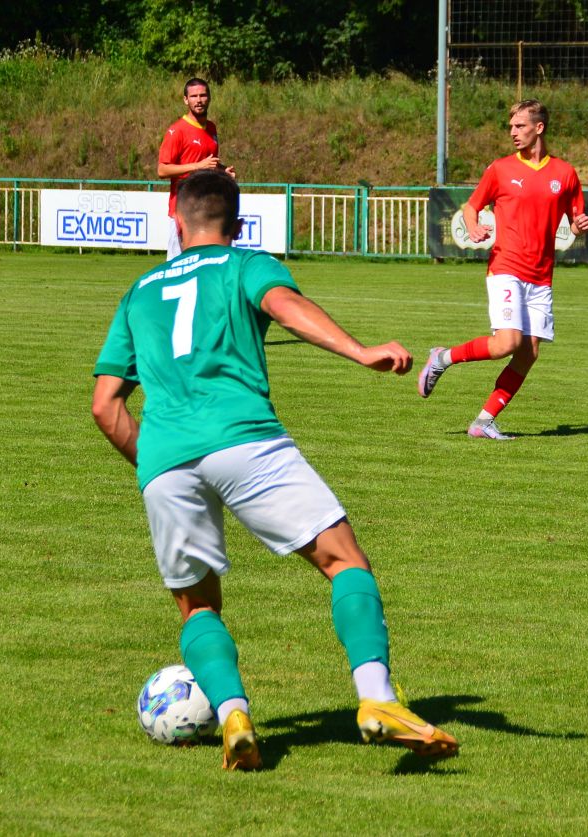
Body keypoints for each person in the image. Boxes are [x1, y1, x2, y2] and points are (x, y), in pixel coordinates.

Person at [91, 170, 458, 771]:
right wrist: (360, 350)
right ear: (237, 225)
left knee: (199, 607)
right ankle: (377, 699)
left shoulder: (138, 291)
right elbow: (284, 307)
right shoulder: (244, 265)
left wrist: (159, 465)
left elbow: (105, 406)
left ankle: (234, 716)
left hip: (164, 461)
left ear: (176, 222)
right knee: (344, 561)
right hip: (243, 438)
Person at [416, 99, 588, 439]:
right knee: (505, 344)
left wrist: (579, 226)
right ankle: (442, 358)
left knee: (528, 354)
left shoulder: (565, 173)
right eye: (511, 126)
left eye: (520, 126)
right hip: (506, 267)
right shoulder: (500, 169)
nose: (513, 132)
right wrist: (472, 227)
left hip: (541, 277)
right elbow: (471, 207)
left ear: (539, 128)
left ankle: (483, 422)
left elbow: (574, 223)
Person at [157, 78, 236, 260]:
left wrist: (222, 171)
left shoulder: (211, 128)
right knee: (178, 265)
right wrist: (198, 166)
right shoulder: (177, 130)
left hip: (206, 208)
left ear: (209, 98)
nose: (198, 100)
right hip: (182, 209)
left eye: (202, 95)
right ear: (186, 100)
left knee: (207, 264)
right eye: (193, 96)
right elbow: (162, 170)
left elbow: (208, 163)